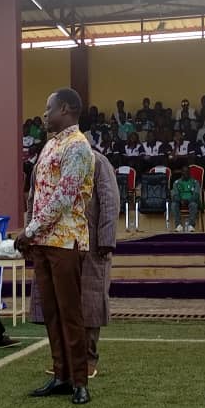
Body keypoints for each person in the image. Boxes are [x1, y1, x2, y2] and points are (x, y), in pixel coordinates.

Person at [16, 88, 95, 405]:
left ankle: (80, 381)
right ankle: (61, 375)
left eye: (49, 108)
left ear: (66, 109)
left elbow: (63, 198)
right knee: (51, 312)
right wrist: (33, 233)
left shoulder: (78, 146)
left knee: (69, 312)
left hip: (66, 240)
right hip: (44, 241)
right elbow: (37, 195)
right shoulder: (50, 145)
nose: (44, 114)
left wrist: (29, 230)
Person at [81, 151, 119, 378]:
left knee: (91, 300)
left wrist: (106, 239)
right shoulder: (53, 156)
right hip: (61, 243)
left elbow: (109, 201)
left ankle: (88, 358)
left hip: (92, 243)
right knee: (65, 303)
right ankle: (65, 357)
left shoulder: (97, 161)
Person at [171, 166, 201, 233]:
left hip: (191, 201)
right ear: (182, 172)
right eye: (184, 172)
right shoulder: (176, 183)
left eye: (187, 172)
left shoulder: (195, 182)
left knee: (193, 205)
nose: (186, 173)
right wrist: (180, 200)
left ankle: (191, 225)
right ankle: (178, 225)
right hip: (180, 201)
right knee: (173, 205)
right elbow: (175, 195)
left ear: (189, 173)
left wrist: (188, 200)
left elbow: (196, 195)